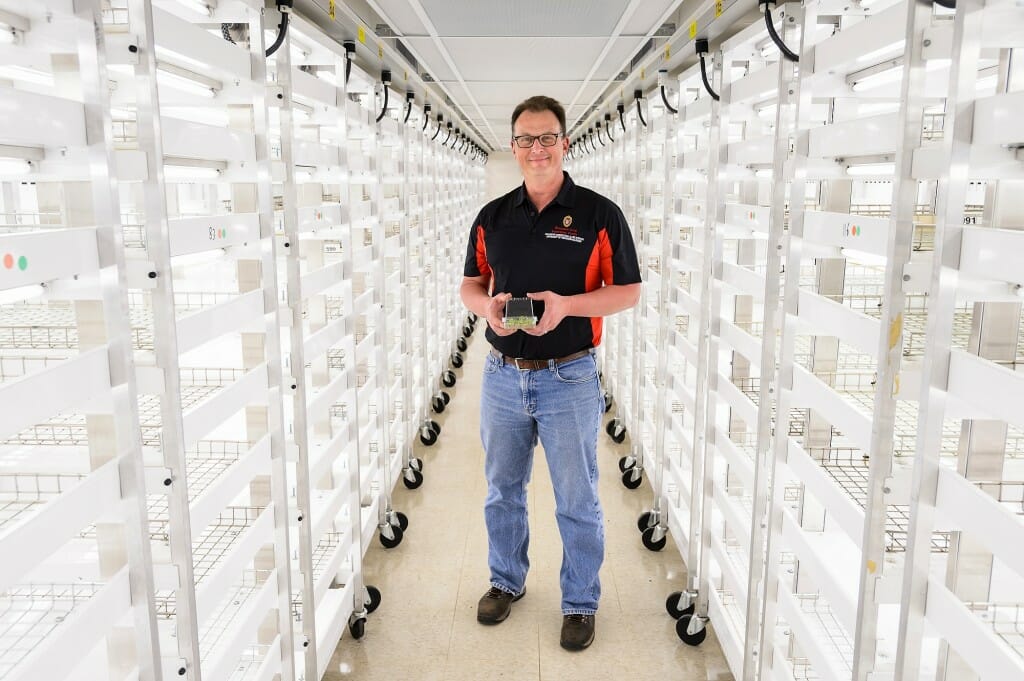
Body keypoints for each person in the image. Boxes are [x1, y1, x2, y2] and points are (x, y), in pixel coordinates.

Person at [459, 95, 641, 651]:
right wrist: (485, 308)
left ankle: (580, 601)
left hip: (569, 377)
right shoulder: (492, 218)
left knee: (576, 496)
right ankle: (505, 581)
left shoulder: (598, 214)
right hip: (501, 375)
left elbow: (627, 292)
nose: (536, 149)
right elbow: (471, 283)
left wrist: (564, 307)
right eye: (525, 139)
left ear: (565, 142)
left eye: (547, 137)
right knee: (502, 491)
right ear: (513, 147)